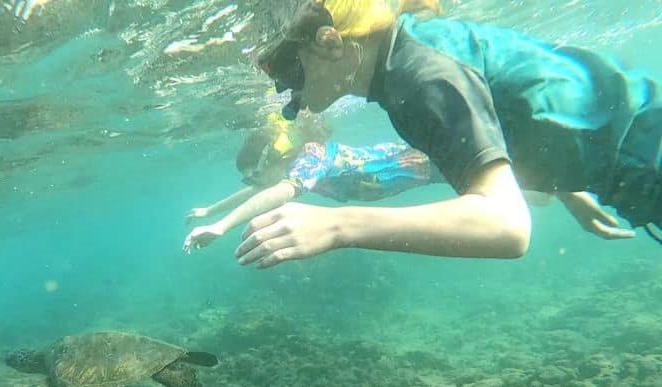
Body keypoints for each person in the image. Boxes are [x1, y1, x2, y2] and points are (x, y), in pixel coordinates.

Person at [234, 0, 660, 268]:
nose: (280, 88)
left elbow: (507, 226)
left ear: (329, 42)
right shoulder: (409, 59)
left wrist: (336, 226)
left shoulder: (417, 79)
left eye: (283, 68)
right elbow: (518, 109)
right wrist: (571, 188)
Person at [184, 113, 633, 253]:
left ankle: (577, 185)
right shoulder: (293, 166)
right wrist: (211, 211)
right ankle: (566, 189)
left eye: (252, 173)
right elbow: (258, 189)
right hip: (423, 166)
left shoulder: (311, 160)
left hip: (426, 162)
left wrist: (223, 229)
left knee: (526, 190)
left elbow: (273, 192)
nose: (250, 182)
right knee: (527, 194)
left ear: (273, 159)